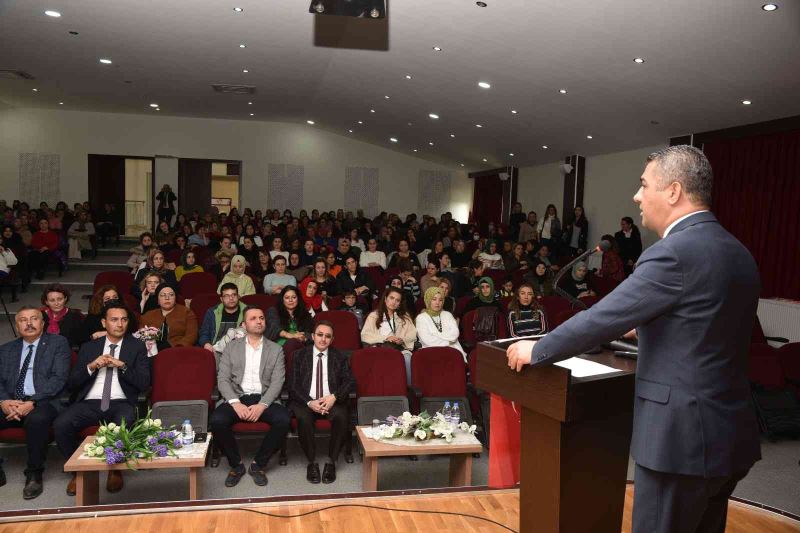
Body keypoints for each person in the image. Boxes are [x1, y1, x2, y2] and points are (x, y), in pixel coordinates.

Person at [506, 145, 762, 533]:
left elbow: (601, 317)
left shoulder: (672, 252)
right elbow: (703, 325)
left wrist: (538, 348)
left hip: (679, 443)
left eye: (644, 185)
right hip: (728, 434)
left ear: (673, 191)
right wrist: (644, 324)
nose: (636, 196)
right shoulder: (738, 251)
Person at [55, 303, 150, 496]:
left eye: (124, 319)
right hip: (90, 401)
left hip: (120, 401)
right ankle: (78, 470)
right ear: (104, 322)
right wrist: (91, 366)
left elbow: (144, 383)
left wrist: (122, 366)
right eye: (114, 320)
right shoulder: (90, 347)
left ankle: (114, 469)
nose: (120, 324)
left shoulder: (137, 347)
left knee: (126, 420)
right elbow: (71, 383)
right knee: (61, 424)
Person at [210, 306, 290, 488]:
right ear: (244, 325)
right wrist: (235, 403)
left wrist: (262, 405)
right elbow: (222, 379)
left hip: (264, 398)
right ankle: (236, 465)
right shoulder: (231, 348)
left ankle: (258, 464)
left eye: (261, 317)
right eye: (253, 318)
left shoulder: (276, 349)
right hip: (238, 397)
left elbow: (278, 382)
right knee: (217, 420)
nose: (259, 321)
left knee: (283, 419)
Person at [0, 307, 70, 499]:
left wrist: (32, 402)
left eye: (34, 319)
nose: (29, 323)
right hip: (13, 400)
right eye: (23, 320)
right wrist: (4, 401)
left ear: (43, 323)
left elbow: (58, 378)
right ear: (16, 325)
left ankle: (34, 474)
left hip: (44, 401)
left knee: (37, 420)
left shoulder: (58, 343)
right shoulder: (6, 349)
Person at [289, 321, 355, 484]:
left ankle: (331, 461)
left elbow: (350, 381)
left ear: (332, 340)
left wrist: (334, 397)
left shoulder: (340, 357)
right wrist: (309, 402)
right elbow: (293, 385)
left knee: (341, 416)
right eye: (320, 335)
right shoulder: (299, 355)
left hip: (330, 400)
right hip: (306, 401)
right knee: (304, 419)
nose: (323, 339)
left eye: (327, 336)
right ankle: (311, 462)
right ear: (313, 336)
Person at [361, 287, 417, 379]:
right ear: (385, 298)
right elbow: (365, 335)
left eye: (397, 300)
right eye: (391, 298)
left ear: (399, 303)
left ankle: (409, 389)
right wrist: (386, 338)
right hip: (379, 347)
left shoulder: (405, 316)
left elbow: (412, 334)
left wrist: (402, 339)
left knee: (407, 358)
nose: (394, 302)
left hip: (398, 348)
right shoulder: (374, 315)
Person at [140, 284, 199, 349]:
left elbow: (191, 336)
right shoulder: (148, 315)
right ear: (158, 300)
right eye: (162, 295)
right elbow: (141, 335)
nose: (167, 298)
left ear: (175, 298)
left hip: (178, 350)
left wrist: (179, 347)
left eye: (171, 295)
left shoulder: (187, 312)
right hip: (151, 351)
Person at [415, 287, 465, 360]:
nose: (437, 302)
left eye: (440, 300)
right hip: (431, 351)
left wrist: (436, 335)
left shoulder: (447, 314)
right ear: (428, 300)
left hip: (453, 350)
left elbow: (455, 334)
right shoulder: (421, 318)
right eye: (434, 299)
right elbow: (427, 340)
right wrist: (448, 342)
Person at [198, 282, 246, 355]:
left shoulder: (248, 311)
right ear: (221, 299)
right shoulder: (212, 312)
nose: (231, 298)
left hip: (240, 351)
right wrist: (206, 344)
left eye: (234, 295)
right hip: (215, 349)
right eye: (226, 296)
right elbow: (204, 333)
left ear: (238, 296)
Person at [265, 286, 314, 354]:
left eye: (294, 297)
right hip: (277, 347)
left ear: (298, 299)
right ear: (282, 299)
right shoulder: (273, 311)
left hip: (299, 346)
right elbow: (273, 328)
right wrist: (290, 335)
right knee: (292, 343)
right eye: (287, 298)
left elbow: (310, 333)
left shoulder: (305, 314)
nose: (290, 300)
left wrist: (304, 338)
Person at [40, 284, 83, 349]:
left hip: (66, 351)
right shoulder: (40, 316)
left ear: (65, 299)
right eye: (52, 300)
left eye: (59, 299)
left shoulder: (75, 316)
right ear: (46, 302)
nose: (56, 303)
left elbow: (81, 341)